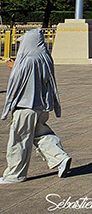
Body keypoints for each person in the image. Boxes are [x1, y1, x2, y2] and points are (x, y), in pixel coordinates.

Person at [1, 29, 72, 183]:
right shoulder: (45, 56)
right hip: (41, 106)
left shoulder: (28, 59)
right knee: (41, 134)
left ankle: (15, 175)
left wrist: (14, 67)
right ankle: (61, 159)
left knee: (19, 140)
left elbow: (17, 81)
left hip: (25, 106)